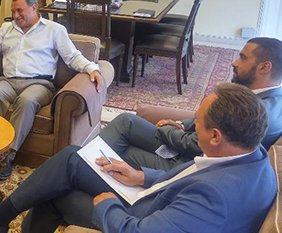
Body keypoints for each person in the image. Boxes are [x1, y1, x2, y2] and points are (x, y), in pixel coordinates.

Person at [0, 83, 276, 233]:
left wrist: (108, 207)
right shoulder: (251, 155)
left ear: (215, 136)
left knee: (60, 186)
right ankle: (3, 227)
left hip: (141, 219)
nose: (191, 129)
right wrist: (143, 176)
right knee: (71, 159)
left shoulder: (215, 199)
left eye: (197, 125)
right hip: (155, 199)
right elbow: (191, 174)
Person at [0, 0, 103, 179]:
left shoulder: (54, 30)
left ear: (34, 8)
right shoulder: (6, 29)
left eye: (20, 11)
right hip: (9, 81)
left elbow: (72, 57)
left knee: (27, 100)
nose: (15, 15)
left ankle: (7, 156)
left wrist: (91, 69)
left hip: (40, 84)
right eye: (13, 11)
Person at [101, 37, 282, 171]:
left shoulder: (259, 112)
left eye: (242, 58)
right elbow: (205, 116)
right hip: (185, 146)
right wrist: (181, 124)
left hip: (188, 164)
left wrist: (167, 129)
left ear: (264, 67)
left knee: (119, 151)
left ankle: (87, 169)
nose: (234, 62)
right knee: (126, 121)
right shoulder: (256, 95)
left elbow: (197, 144)